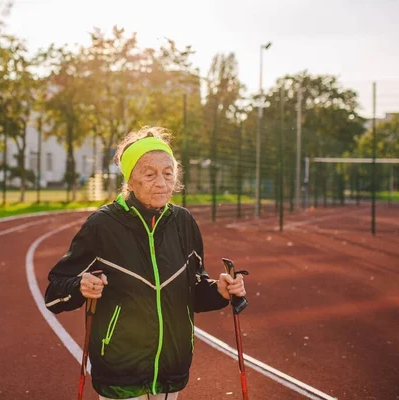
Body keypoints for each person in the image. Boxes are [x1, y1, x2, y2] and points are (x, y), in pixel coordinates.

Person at [44, 126, 247, 400]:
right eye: (149, 174)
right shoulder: (102, 225)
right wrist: (80, 286)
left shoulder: (184, 223)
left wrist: (220, 291)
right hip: (120, 372)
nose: (162, 183)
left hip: (170, 372)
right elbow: (54, 294)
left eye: (168, 173)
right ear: (130, 179)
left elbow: (193, 290)